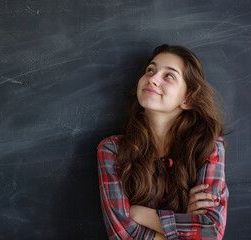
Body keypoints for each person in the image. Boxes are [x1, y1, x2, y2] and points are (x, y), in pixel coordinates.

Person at [97, 44, 228, 240]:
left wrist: (139, 214)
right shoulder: (112, 149)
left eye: (169, 76)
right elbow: (121, 234)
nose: (152, 79)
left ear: (188, 99)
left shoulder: (208, 147)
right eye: (151, 70)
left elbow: (210, 231)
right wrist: (186, 219)